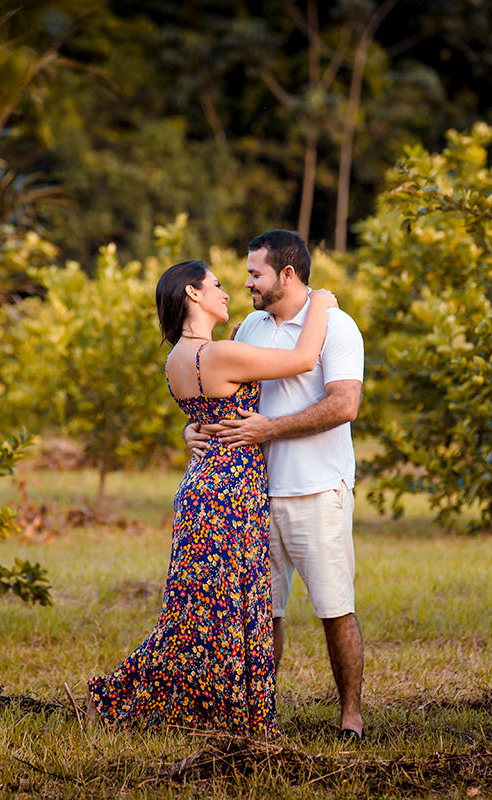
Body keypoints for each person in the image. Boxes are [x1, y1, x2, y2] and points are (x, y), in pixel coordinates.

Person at [86, 259, 338, 736]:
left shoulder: (177, 359)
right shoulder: (219, 354)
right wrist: (320, 301)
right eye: (216, 285)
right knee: (231, 609)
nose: (227, 292)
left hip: (201, 485)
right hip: (231, 492)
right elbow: (305, 358)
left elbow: (205, 410)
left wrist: (190, 429)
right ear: (193, 294)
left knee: (196, 613)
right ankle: (124, 698)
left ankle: (187, 707)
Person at [188, 230, 366, 740]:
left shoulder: (336, 325)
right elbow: (223, 394)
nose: (247, 283)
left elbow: (344, 404)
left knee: (335, 608)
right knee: (264, 613)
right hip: (254, 494)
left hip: (318, 489)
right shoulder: (249, 327)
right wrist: (194, 428)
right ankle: (259, 717)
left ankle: (350, 715)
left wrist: (271, 429)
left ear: (287, 274)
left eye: (255, 274)